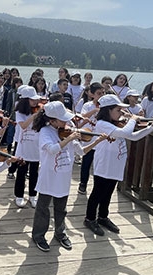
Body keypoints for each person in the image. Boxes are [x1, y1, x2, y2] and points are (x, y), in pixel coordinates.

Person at [31, 101, 107, 251]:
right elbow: (52, 149)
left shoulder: (67, 130)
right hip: (49, 176)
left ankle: (60, 233)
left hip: (63, 177)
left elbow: (82, 152)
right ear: (52, 120)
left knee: (61, 208)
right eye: (62, 119)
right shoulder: (45, 132)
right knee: (43, 208)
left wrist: (97, 141)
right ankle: (38, 235)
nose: (67, 122)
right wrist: (70, 138)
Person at [83, 94, 153, 236]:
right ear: (108, 110)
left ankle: (103, 217)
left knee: (108, 192)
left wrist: (152, 127)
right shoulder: (102, 123)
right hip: (105, 163)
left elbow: (133, 136)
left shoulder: (115, 123)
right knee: (98, 192)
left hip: (116, 163)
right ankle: (89, 218)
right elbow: (125, 132)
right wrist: (132, 119)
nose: (121, 113)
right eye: (118, 110)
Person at [13, 86, 42, 208]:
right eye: (32, 100)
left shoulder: (39, 110)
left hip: (36, 145)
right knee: (21, 172)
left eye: (36, 99)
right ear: (25, 100)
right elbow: (23, 125)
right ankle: (19, 195)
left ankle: (32, 195)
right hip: (24, 145)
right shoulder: (19, 112)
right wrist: (35, 115)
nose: (36, 102)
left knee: (34, 172)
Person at [77, 82, 106, 195]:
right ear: (92, 94)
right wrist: (94, 110)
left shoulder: (106, 107)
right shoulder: (87, 105)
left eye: (103, 93)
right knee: (86, 162)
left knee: (99, 164)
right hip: (89, 137)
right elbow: (82, 117)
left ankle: (97, 186)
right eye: (99, 93)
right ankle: (83, 183)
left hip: (100, 138)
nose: (101, 95)